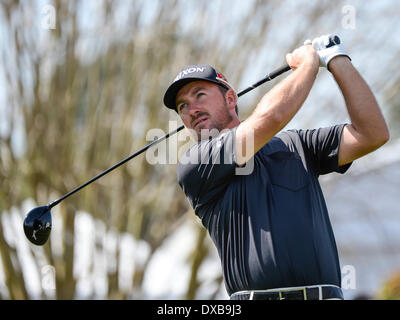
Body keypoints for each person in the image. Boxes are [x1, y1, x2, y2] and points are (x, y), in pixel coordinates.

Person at [162, 34, 389, 300]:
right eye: (182, 106)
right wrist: (308, 66)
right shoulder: (196, 164)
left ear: (231, 99)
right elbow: (272, 117)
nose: (191, 109)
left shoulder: (298, 144)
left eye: (200, 95)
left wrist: (337, 58)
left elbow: (372, 134)